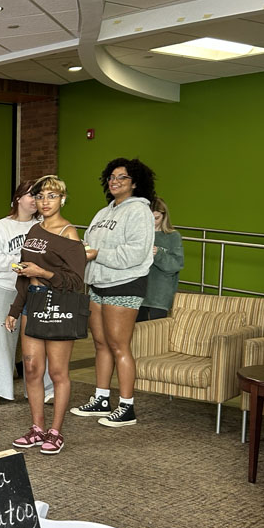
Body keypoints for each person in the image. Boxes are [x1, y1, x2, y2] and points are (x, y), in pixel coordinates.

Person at [4, 175, 87, 454]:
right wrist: (15, 309)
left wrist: (42, 273)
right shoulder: (34, 230)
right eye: (40, 197)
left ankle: (56, 431)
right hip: (32, 303)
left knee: (58, 371)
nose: (45, 202)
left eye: (52, 196)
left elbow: (76, 281)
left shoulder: (68, 233)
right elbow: (24, 274)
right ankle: (37, 428)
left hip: (60, 305)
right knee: (31, 368)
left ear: (62, 199)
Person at [71, 157, 156, 428]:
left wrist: (97, 253)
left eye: (122, 177)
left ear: (135, 183)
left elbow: (135, 253)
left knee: (120, 345)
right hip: (98, 284)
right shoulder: (103, 212)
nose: (115, 181)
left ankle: (127, 406)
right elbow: (90, 244)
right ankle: (101, 397)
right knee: (101, 344)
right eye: (112, 177)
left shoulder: (139, 211)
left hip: (125, 283)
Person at [0, 180, 53, 405]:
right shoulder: (2, 226)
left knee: (41, 338)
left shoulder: (45, 225)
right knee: (1, 337)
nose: (36, 200)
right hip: (5, 287)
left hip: (38, 289)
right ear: (18, 198)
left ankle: (45, 388)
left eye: (40, 196)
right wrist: (18, 263)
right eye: (32, 195)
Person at [139, 197, 183, 321]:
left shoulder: (173, 236)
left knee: (157, 333)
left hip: (160, 296)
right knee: (138, 332)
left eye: (156, 218)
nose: (153, 222)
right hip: (139, 292)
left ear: (164, 217)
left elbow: (175, 265)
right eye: (149, 218)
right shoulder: (138, 235)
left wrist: (158, 254)